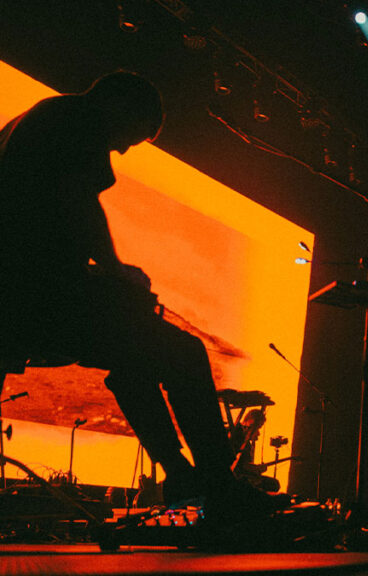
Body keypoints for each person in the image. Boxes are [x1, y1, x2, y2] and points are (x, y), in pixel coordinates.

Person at [0, 71, 286, 522]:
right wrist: (115, 270)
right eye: (132, 136)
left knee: (136, 354)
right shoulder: (76, 120)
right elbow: (78, 200)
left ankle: (181, 475)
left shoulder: (35, 120)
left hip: (19, 294)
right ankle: (215, 483)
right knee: (184, 351)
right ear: (118, 107)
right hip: (39, 293)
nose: (124, 149)